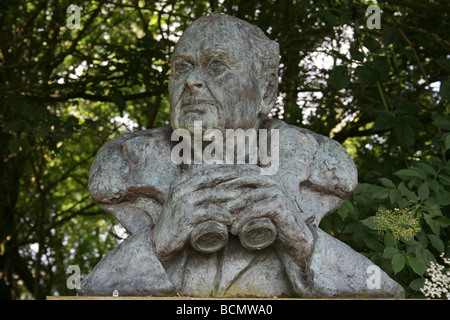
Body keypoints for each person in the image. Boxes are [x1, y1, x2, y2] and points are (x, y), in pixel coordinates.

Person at [80, 13, 403, 298]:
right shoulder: (127, 166)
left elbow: (384, 294)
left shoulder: (318, 167)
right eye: (182, 67)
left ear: (267, 91)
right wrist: (157, 241)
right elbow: (91, 293)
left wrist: (303, 241)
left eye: (216, 65)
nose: (191, 81)